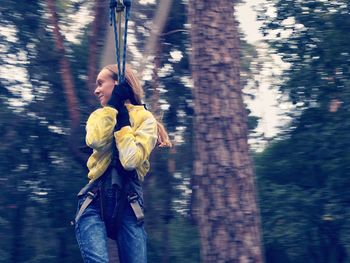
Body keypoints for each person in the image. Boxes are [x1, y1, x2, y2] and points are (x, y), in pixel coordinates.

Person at [74, 64, 172, 263]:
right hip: (94, 200)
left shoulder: (145, 119)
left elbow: (130, 160)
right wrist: (112, 109)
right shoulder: (98, 116)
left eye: (101, 83)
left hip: (129, 204)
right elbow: (96, 141)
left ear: (117, 83)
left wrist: (124, 123)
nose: (96, 90)